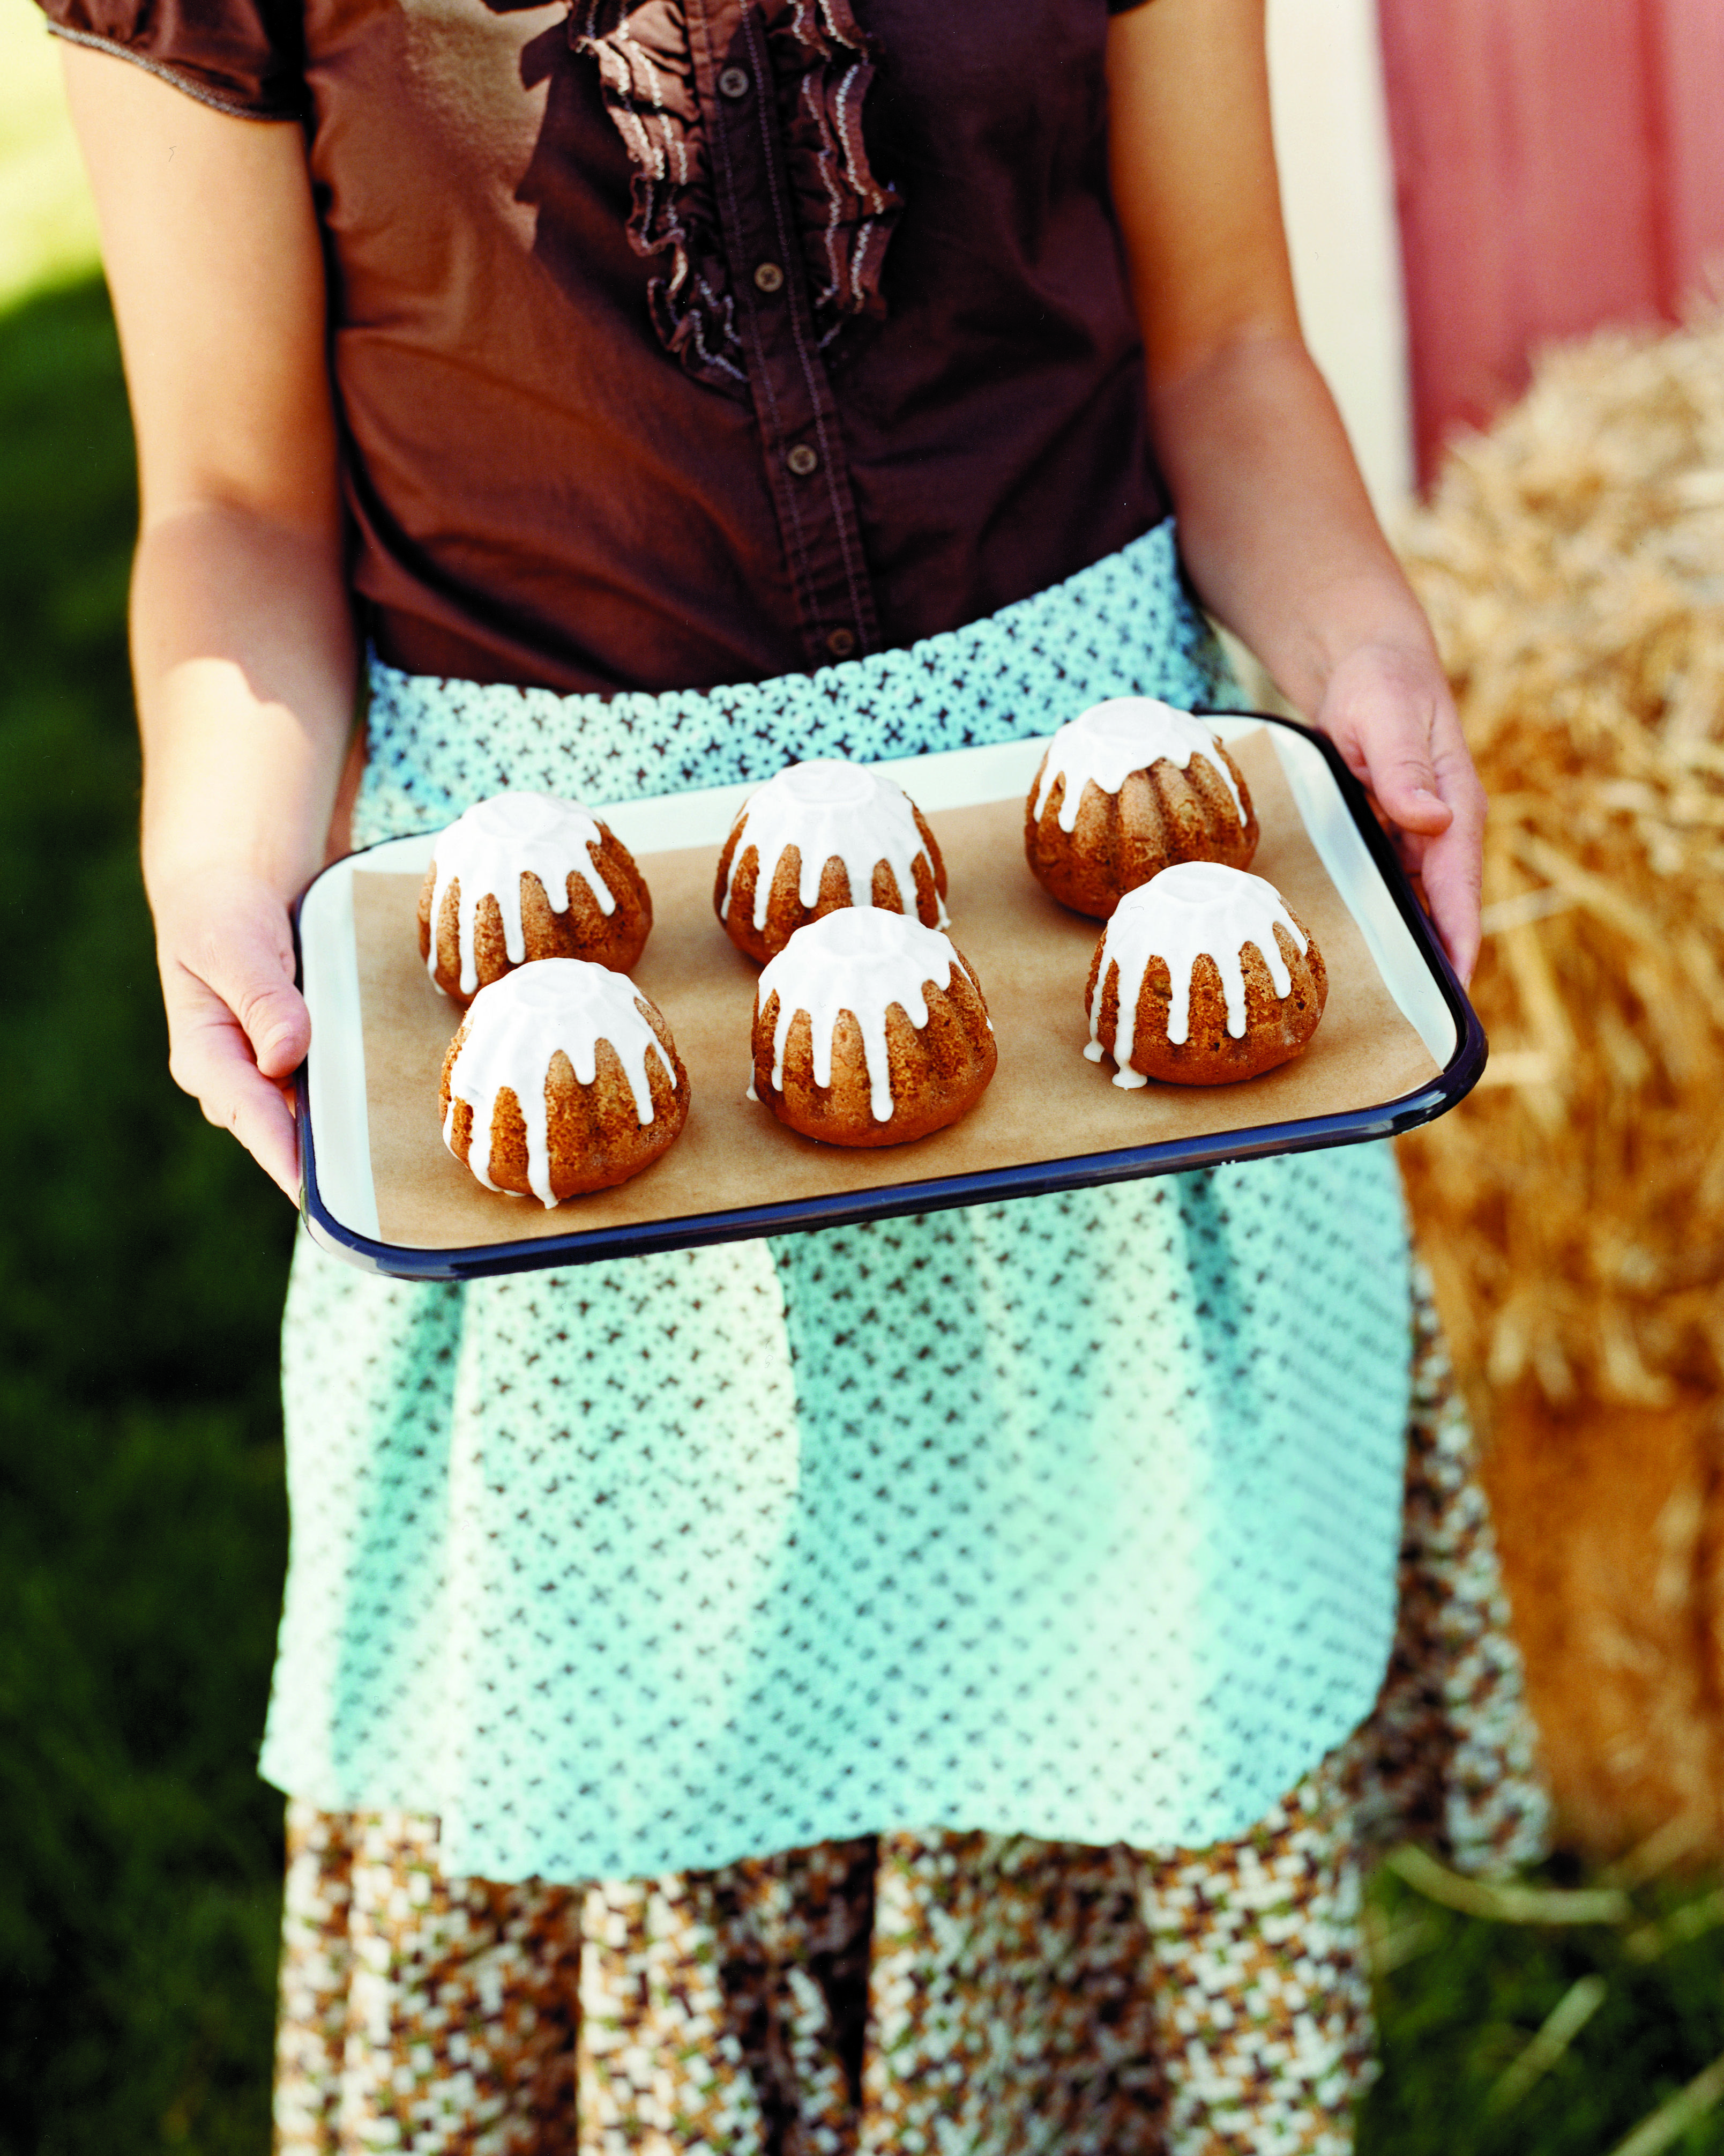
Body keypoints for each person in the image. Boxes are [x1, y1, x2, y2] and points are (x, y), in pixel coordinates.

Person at [45, 0, 1545, 2145]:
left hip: (1085, 922)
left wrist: (1363, 665)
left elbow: (1225, 348)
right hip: (566, 983)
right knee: (654, 1738)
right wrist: (222, 848)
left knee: (1111, 1688)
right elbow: (228, 507)